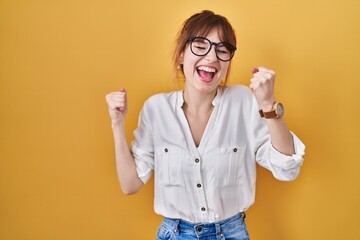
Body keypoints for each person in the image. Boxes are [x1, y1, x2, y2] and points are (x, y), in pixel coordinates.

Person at [105, 10, 305, 240]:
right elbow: (130, 185)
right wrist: (117, 124)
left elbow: (287, 169)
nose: (211, 58)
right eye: (200, 46)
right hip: (175, 233)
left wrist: (269, 104)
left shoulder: (244, 102)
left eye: (222, 50)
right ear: (181, 54)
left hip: (231, 233)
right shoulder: (156, 109)